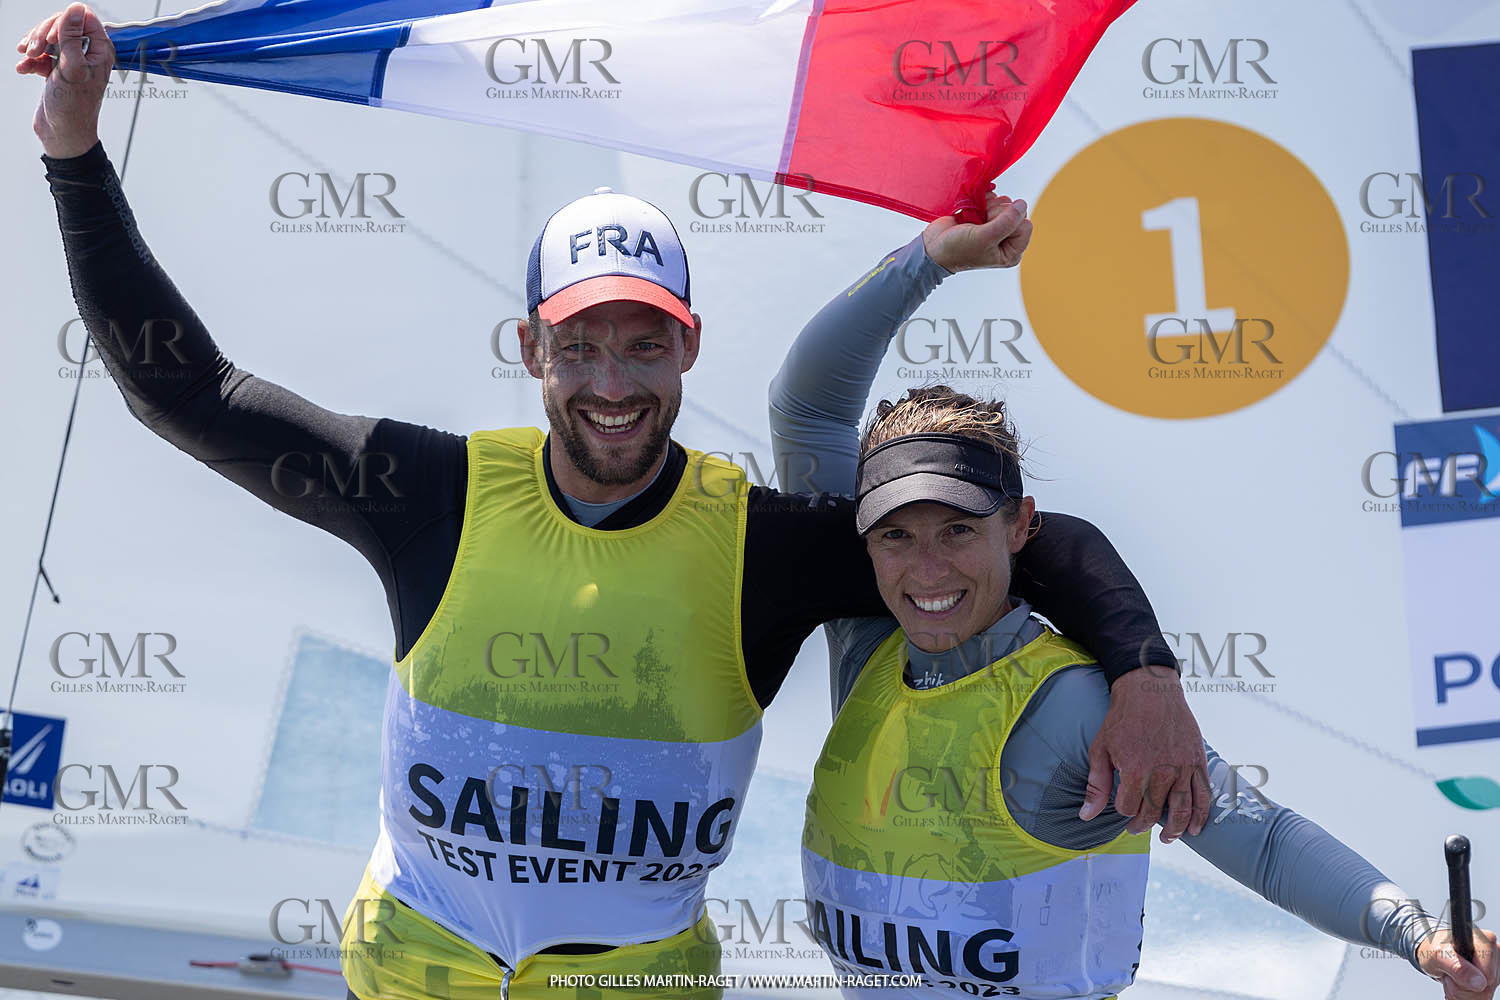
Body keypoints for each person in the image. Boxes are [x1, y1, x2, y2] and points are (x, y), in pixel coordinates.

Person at [21, 10, 1209, 998]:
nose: (611, 382)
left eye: (645, 344)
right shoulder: (429, 492)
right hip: (411, 971)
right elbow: (191, 392)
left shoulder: (762, 547)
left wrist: (1146, 672)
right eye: (580, 344)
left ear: (687, 348)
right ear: (532, 345)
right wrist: (73, 152)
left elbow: (1022, 545)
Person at [768, 193, 1500, 998]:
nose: (928, 571)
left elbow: (1260, 840)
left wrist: (1419, 937)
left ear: (1021, 527)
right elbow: (805, 405)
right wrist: (932, 259)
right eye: (897, 536)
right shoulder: (868, 644)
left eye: (958, 531)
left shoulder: (1076, 706)